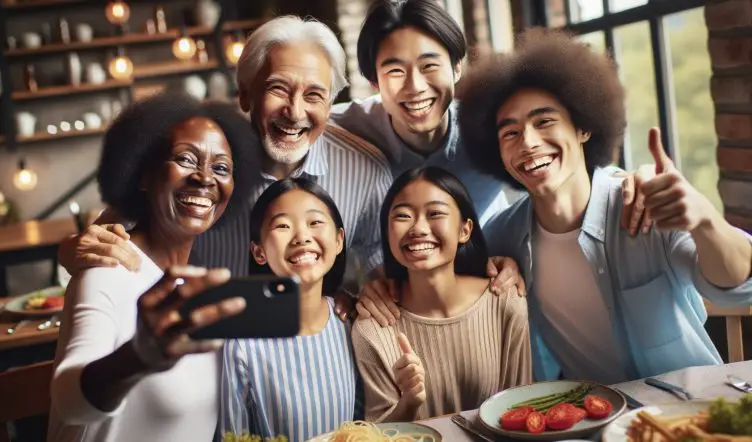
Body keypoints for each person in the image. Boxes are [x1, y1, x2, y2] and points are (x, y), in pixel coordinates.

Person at [457, 28, 752, 384]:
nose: (529, 143)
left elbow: (739, 290)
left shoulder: (643, 203)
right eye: (510, 133)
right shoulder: (502, 236)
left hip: (687, 416)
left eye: (544, 121)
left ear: (583, 128)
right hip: (587, 423)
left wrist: (705, 220)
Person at [334, 0, 654, 326]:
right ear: (374, 82)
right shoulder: (341, 131)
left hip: (493, 299)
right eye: (395, 71)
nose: (415, 86)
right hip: (397, 309)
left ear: (457, 68)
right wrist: (339, 290)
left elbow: (562, 169)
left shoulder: (490, 130)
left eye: (430, 66)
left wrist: (629, 180)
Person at [56, 16, 394, 314]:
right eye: (278, 89)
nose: (295, 112)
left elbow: (381, 263)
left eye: (314, 96)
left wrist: (358, 295)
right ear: (245, 94)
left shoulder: (364, 170)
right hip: (206, 352)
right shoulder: (203, 164)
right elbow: (99, 238)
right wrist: (73, 250)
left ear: (332, 102)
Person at [48, 93, 256, 442]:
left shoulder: (197, 283)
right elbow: (69, 401)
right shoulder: (108, 269)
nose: (204, 178)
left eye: (221, 168)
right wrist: (140, 357)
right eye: (186, 159)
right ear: (143, 174)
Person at [351, 167, 532, 422]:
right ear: (388, 233)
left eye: (435, 213)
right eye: (402, 216)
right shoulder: (372, 328)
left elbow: (522, 413)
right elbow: (377, 436)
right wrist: (409, 402)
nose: (418, 228)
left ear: (465, 230)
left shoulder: (505, 301)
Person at [220, 178, 361, 442]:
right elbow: (233, 434)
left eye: (315, 222)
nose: (302, 237)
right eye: (283, 225)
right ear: (259, 252)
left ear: (339, 239)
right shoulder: (243, 342)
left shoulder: (351, 323)